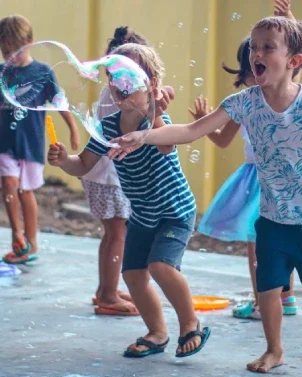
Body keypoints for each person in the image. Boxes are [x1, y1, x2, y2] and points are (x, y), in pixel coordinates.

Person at [112, 16, 302, 372]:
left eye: (268, 47)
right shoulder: (244, 102)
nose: (257, 52)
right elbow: (193, 131)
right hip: (271, 214)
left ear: (293, 61)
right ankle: (274, 349)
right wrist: (142, 136)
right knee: (267, 285)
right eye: (254, 46)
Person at [47, 43, 210, 358]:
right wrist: (63, 160)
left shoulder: (156, 122)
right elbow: (83, 165)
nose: (118, 83)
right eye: (113, 76)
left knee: (161, 266)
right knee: (133, 274)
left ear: (150, 84)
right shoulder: (107, 127)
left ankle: (191, 325)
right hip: (142, 215)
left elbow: (165, 148)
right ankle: (157, 332)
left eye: (128, 76)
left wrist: (158, 117)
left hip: (174, 212)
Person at [189, 0, 298, 320]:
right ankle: (275, 299)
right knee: (263, 244)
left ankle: (276, 301)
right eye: (253, 68)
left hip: (276, 178)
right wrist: (204, 123)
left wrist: (289, 21)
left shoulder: (284, 93)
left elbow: (296, 60)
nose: (258, 71)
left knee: (267, 245)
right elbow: (222, 138)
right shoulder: (243, 104)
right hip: (254, 179)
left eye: (264, 62)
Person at [80, 26, 152, 316]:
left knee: (112, 233)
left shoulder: (114, 91)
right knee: (118, 234)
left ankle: (105, 288)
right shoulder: (122, 96)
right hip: (110, 176)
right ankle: (108, 294)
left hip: (102, 174)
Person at [0, 14, 80, 264]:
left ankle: (32, 241)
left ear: (31, 43)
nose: (11, 57)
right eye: (5, 51)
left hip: (32, 144)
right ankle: (17, 235)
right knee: (9, 184)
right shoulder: (2, 73)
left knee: (26, 192)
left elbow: (60, 103)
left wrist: (73, 129)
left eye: (16, 51)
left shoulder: (42, 72)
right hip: (4, 143)